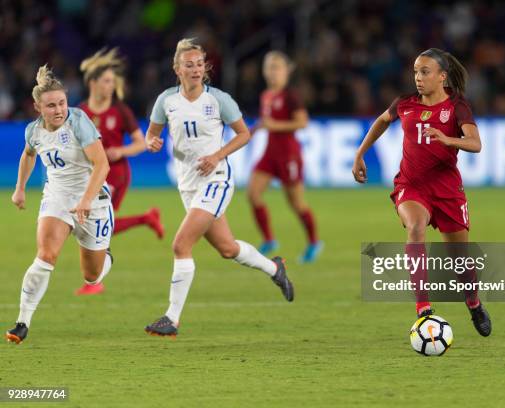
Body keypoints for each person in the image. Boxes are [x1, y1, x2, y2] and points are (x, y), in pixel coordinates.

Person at [144, 39, 294, 337]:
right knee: (227, 248)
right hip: (187, 184)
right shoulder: (166, 101)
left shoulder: (219, 100)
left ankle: (171, 319)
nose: (196, 69)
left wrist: (216, 156)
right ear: (178, 69)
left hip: (217, 179)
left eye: (200, 64)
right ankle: (275, 269)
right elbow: (151, 134)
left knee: (180, 245)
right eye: (189, 64)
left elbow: (244, 134)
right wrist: (151, 142)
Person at [352, 48, 492, 337]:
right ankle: (423, 309)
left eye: (425, 71)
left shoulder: (457, 106)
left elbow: (476, 143)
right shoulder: (405, 103)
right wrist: (360, 154)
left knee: (459, 262)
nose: (418, 77)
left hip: (447, 190)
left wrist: (446, 138)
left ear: (442, 76)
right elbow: (381, 121)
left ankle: (473, 301)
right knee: (415, 227)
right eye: (416, 71)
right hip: (411, 185)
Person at [6, 66, 114, 344]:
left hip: (93, 200)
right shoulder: (34, 131)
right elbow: (28, 155)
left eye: (62, 103)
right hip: (57, 198)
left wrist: (86, 200)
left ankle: (106, 259)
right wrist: (20, 189)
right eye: (51, 105)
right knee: (45, 255)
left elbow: (102, 164)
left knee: (92, 276)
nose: (58, 110)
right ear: (38, 107)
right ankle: (22, 322)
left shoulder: (78, 121)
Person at [76, 48, 165, 295]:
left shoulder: (120, 111)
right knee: (98, 225)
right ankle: (146, 219)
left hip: (116, 174)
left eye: (112, 82)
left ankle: (93, 281)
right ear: (92, 83)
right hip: (92, 174)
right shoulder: (81, 111)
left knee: (98, 224)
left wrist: (121, 152)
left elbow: (141, 142)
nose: (110, 87)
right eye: (106, 81)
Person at [247, 51, 322, 263]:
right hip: (270, 154)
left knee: (297, 204)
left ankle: (314, 242)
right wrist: (253, 130)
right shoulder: (266, 95)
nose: (272, 72)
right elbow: (267, 121)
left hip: (289, 155)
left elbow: (302, 122)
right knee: (253, 194)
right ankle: (269, 239)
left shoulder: (291, 96)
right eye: (269, 67)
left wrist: (274, 125)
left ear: (286, 71)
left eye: (277, 67)